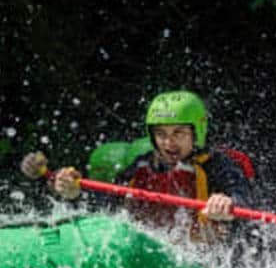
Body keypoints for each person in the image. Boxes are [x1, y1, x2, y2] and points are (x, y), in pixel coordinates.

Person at [22, 91, 253, 237]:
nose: (168, 143)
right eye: (161, 134)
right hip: (158, 252)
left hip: (208, 258)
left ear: (196, 133)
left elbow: (244, 198)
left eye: (178, 133)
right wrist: (74, 192)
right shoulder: (143, 164)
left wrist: (228, 204)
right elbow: (108, 204)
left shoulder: (217, 164)